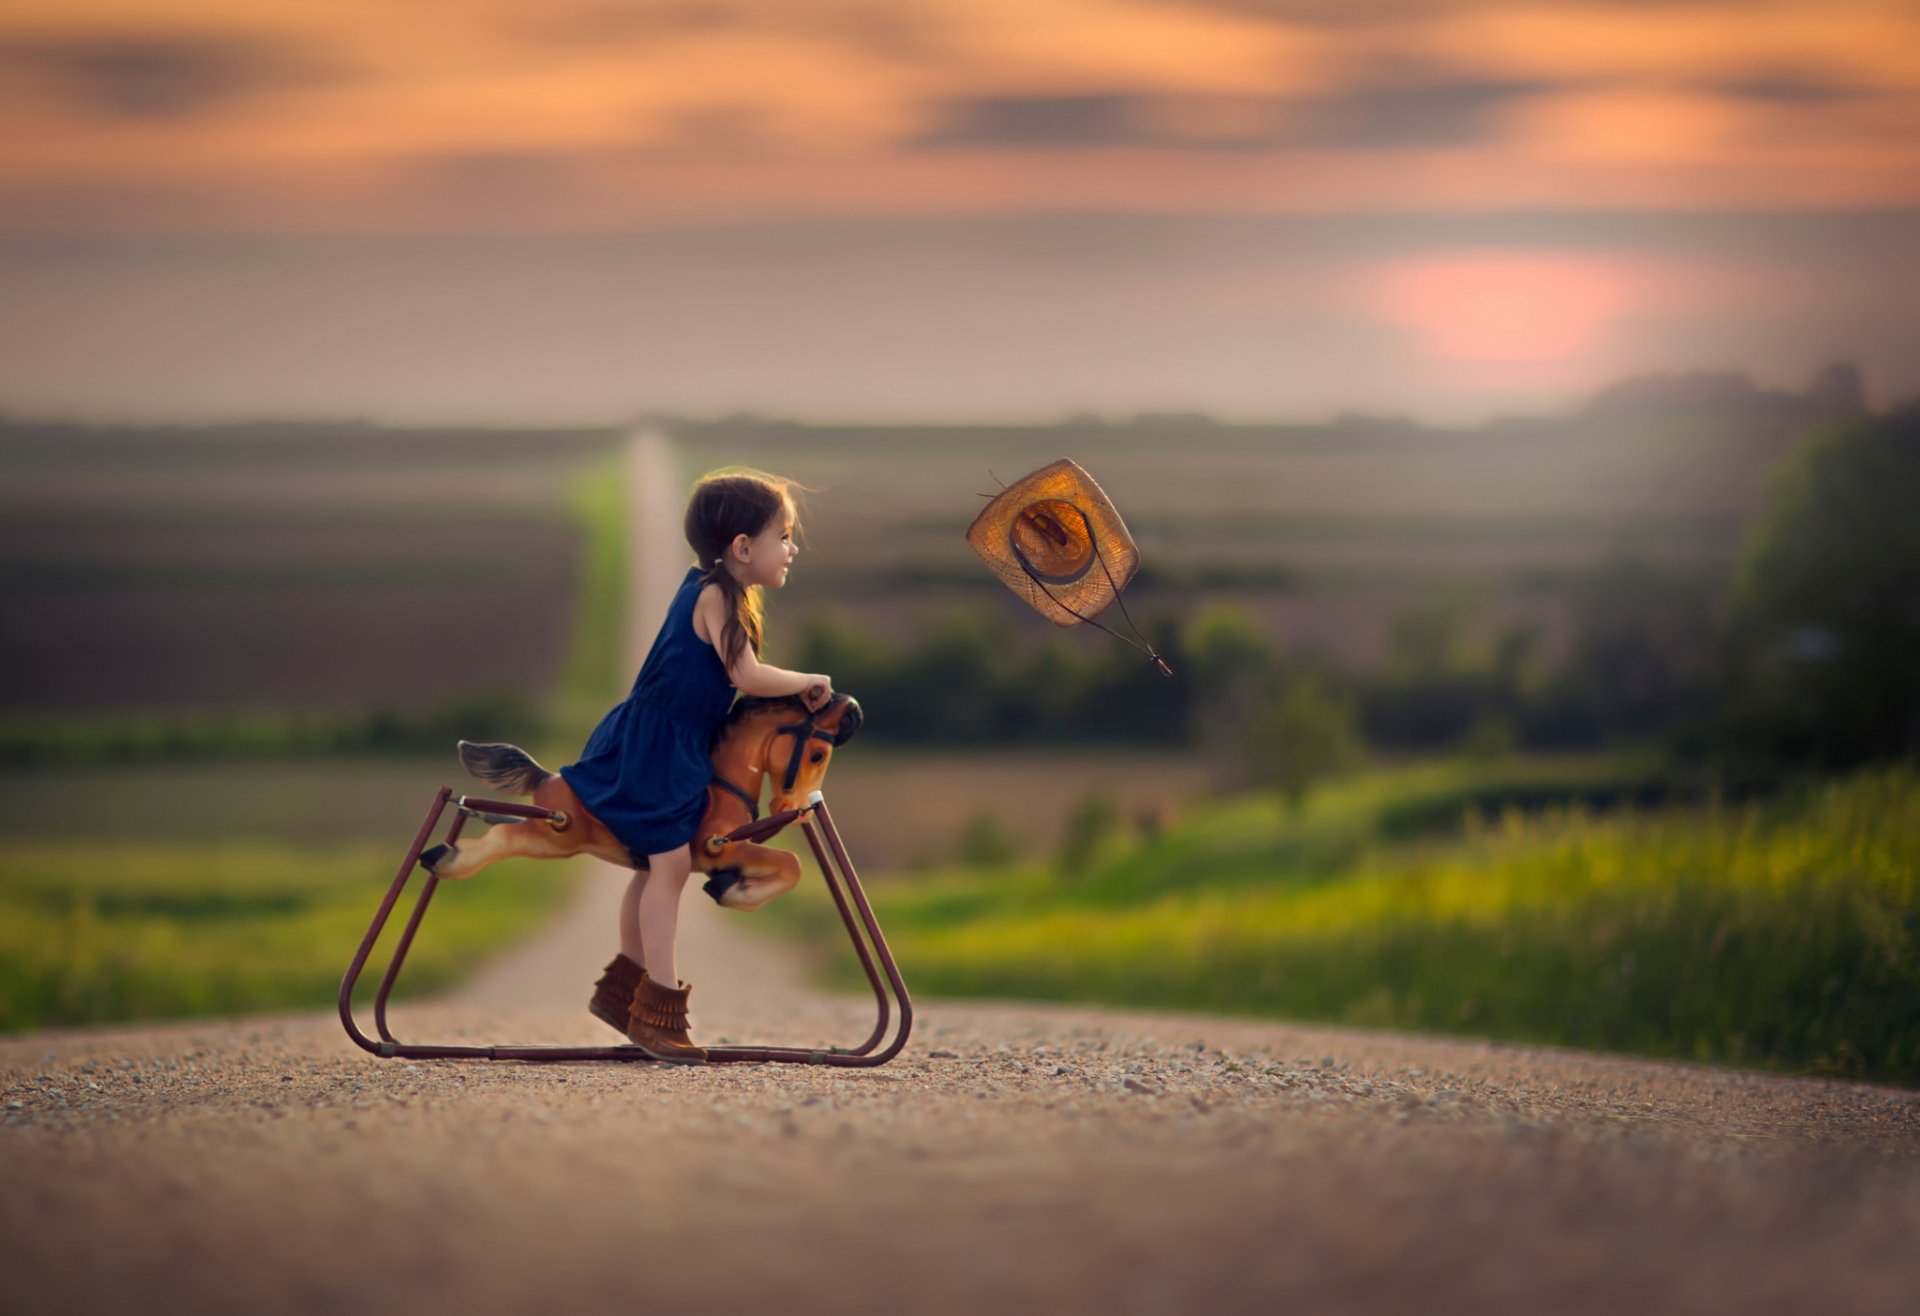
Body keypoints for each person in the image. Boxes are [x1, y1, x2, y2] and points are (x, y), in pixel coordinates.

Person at [567, 470, 830, 1063]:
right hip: (659, 745)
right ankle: (658, 1011)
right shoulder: (715, 596)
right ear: (742, 548)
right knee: (669, 867)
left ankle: (623, 993)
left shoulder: (718, 592)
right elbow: (747, 676)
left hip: (672, 741)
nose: (791, 548)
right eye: (783, 536)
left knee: (655, 867)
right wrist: (812, 681)